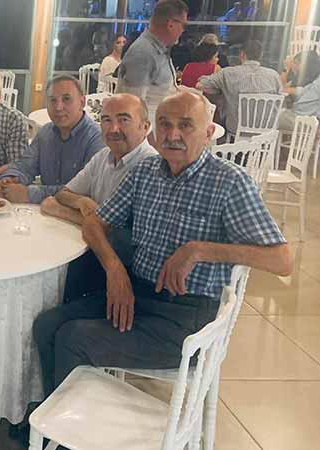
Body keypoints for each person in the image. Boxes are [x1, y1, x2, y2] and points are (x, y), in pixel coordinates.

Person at [33, 90, 292, 406]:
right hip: (138, 295)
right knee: (47, 325)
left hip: (186, 318)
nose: (173, 135)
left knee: (73, 339)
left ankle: (67, 426)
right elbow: (94, 225)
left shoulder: (229, 182)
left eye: (186, 125)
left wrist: (199, 250)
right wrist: (115, 270)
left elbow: (282, 260)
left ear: (208, 133)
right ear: (154, 132)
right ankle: (48, 414)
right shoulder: (146, 172)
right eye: (165, 124)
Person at [41, 94, 157, 299]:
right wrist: (82, 201)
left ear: (145, 126)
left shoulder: (150, 166)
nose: (113, 129)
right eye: (106, 120)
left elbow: (116, 232)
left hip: (124, 270)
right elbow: (63, 194)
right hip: (92, 250)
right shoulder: (103, 156)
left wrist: (61, 210)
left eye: (124, 119)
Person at [0, 75, 104, 204]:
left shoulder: (97, 138)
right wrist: (10, 179)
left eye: (66, 99)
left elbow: (85, 191)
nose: (58, 107)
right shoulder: (45, 132)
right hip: (45, 210)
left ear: (82, 102)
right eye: (53, 100)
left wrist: (30, 194)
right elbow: (25, 166)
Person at [117, 0, 188, 117]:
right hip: (152, 126)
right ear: (170, 24)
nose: (183, 31)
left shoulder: (157, 50)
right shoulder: (142, 54)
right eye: (183, 25)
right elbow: (131, 107)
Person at [196, 40, 281, 136]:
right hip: (267, 131)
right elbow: (280, 99)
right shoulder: (274, 75)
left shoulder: (228, 73)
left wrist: (220, 90)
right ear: (260, 55)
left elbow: (200, 85)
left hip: (237, 129)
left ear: (242, 54)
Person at [279, 51, 320, 132]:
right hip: (307, 120)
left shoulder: (315, 82)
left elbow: (281, 88)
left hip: (304, 121)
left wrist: (286, 68)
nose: (293, 65)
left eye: (296, 63)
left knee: (275, 116)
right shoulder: (312, 80)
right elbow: (283, 88)